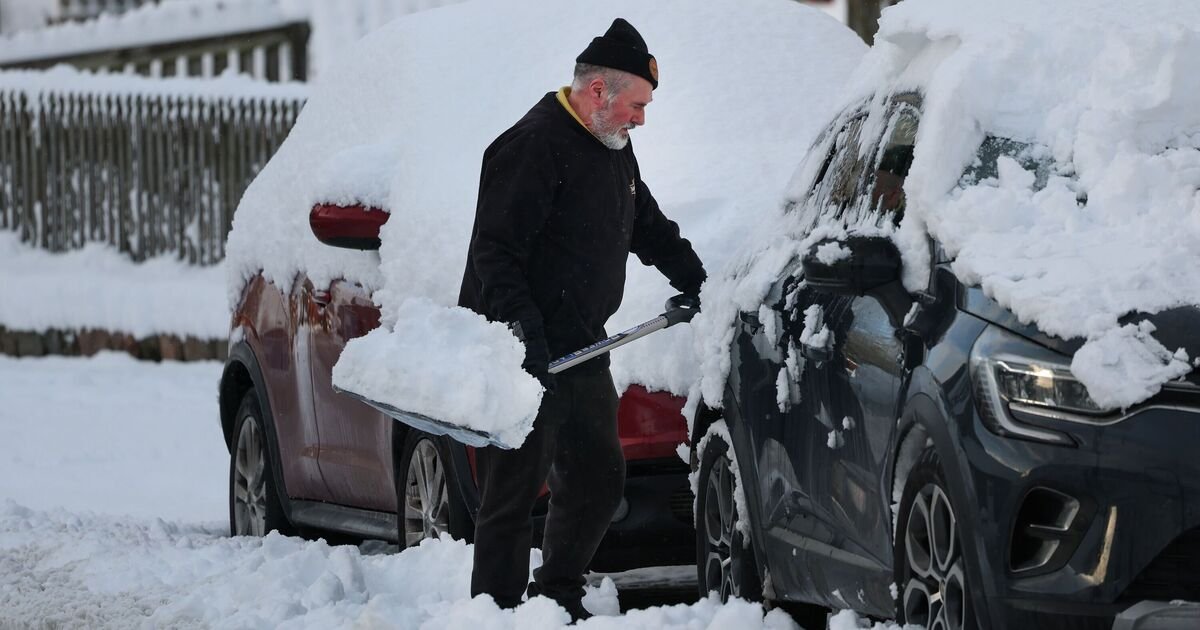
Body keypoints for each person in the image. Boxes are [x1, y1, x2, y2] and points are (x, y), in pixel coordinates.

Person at [457, 17, 706, 623]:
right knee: (512, 495)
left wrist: (695, 276)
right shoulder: (532, 146)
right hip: (519, 349)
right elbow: (496, 253)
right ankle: (497, 613)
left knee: (598, 478)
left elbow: (642, 220)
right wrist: (523, 333)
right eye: (637, 105)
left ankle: (559, 593)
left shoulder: (612, 145)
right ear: (598, 92)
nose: (642, 118)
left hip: (582, 349)